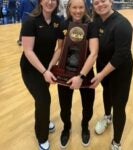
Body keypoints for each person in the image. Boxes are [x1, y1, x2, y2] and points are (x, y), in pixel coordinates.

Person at [54, 0, 98, 148]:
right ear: (69, 8)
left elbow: (93, 53)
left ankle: (85, 126)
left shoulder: (91, 25)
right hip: (65, 72)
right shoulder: (63, 24)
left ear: (85, 8)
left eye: (81, 7)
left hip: (85, 74)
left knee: (88, 105)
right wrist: (49, 68)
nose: (78, 11)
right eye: (74, 7)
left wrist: (81, 76)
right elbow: (60, 49)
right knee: (64, 107)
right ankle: (66, 127)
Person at [90, 0, 133, 150]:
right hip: (103, 67)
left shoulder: (123, 25)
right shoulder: (95, 21)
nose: (100, 5)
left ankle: (116, 143)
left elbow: (121, 55)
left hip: (121, 71)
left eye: (103, 1)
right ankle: (107, 117)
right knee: (107, 93)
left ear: (111, 1)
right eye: (96, 3)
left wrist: (101, 74)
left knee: (119, 105)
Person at [20, 0, 62, 150]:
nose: (50, 2)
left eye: (54, 0)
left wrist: (50, 67)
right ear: (40, 2)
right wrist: (44, 71)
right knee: (44, 99)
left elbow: (59, 48)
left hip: (47, 68)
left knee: (42, 99)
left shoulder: (58, 22)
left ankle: (44, 119)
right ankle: (41, 136)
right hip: (31, 69)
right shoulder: (30, 21)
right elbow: (28, 51)